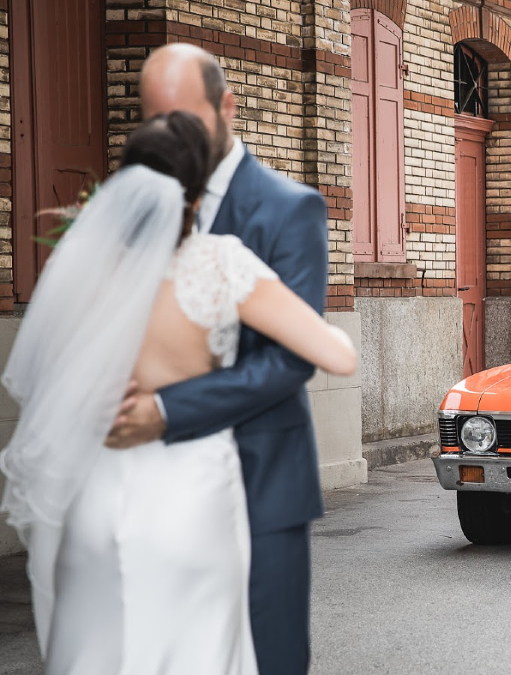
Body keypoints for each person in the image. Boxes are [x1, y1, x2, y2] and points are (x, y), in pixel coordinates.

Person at [0, 112, 356, 674]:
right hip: (190, 500)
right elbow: (339, 355)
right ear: (197, 190)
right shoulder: (219, 264)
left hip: (95, 499)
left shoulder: (87, 268)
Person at [101, 44, 332, 675]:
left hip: (261, 480)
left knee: (269, 658)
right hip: (150, 485)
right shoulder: (130, 207)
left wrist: (165, 411)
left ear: (227, 107)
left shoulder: (291, 208)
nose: (169, 135)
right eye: (154, 119)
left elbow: (290, 361)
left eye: (183, 116)